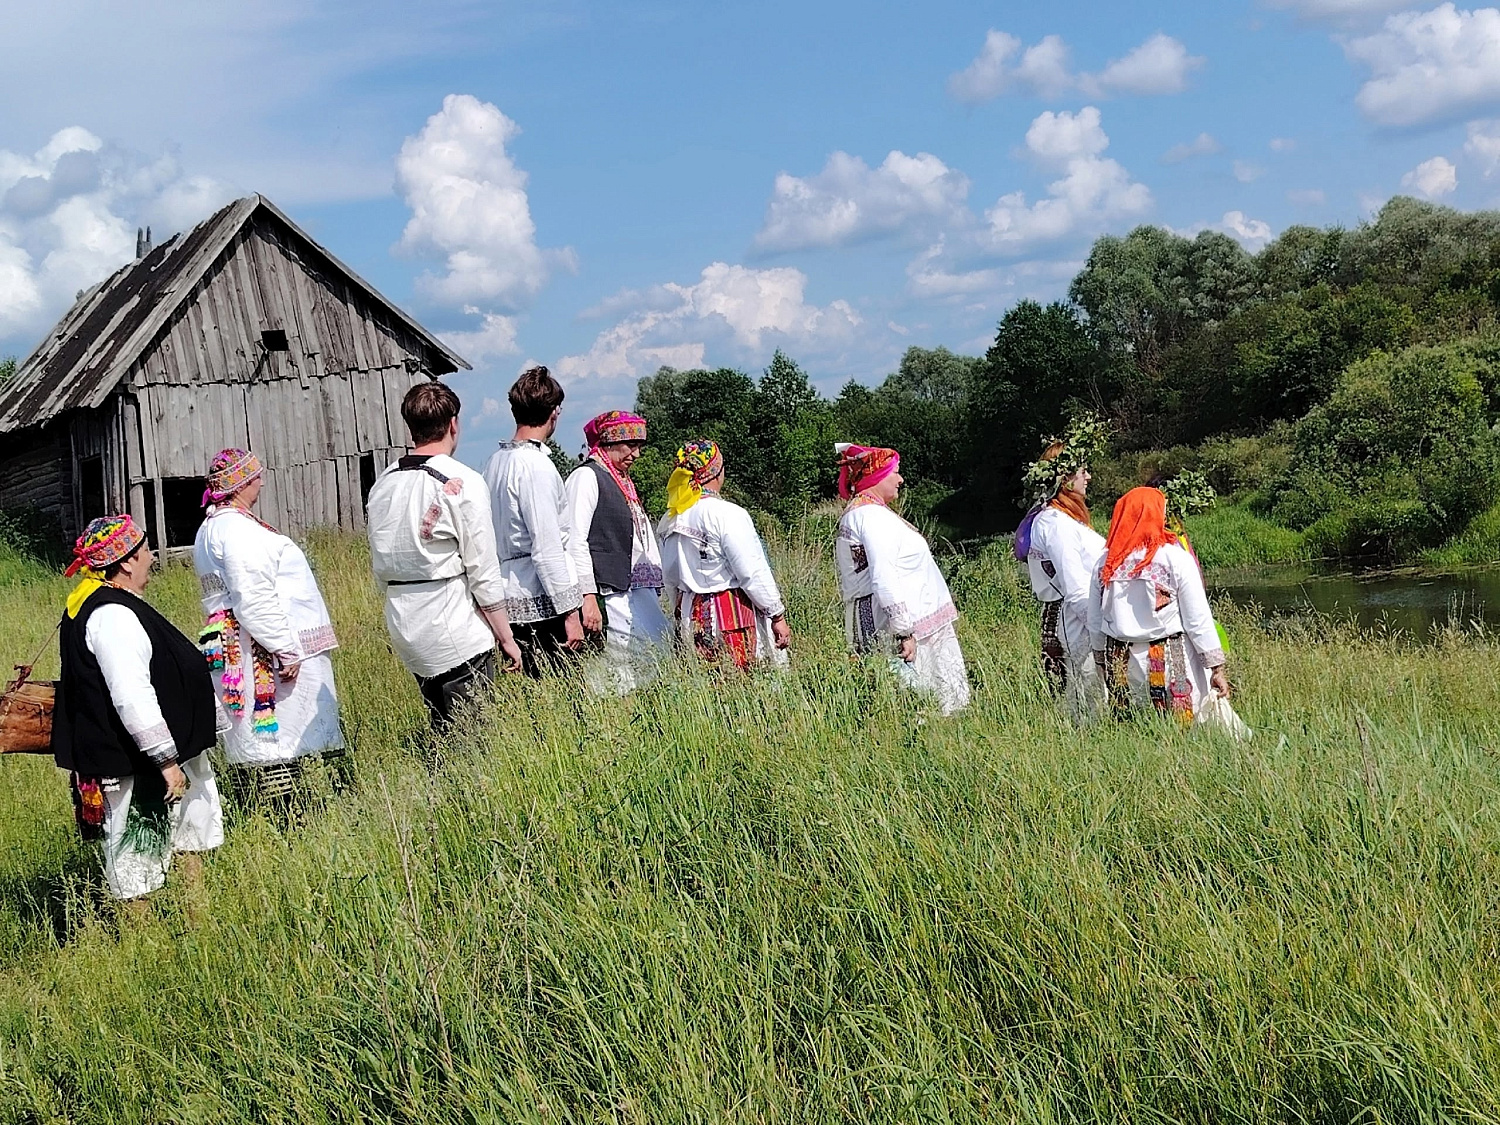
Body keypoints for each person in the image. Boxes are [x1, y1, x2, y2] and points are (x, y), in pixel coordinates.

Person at [52, 515, 225, 901]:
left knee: (188, 835)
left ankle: (198, 924)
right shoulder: (111, 615)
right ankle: (144, 941)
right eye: (145, 550)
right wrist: (165, 760)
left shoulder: (115, 603)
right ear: (125, 562)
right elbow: (131, 695)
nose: (150, 557)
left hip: (162, 752)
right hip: (138, 762)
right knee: (136, 857)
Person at [366, 381, 524, 729]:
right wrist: (506, 636)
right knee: (471, 736)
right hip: (453, 623)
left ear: (410, 426)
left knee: (441, 724)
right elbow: (482, 568)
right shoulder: (462, 479)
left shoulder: (384, 483)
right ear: (454, 423)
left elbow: (379, 557)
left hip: (404, 620)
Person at [194, 449, 344, 800]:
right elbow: (253, 597)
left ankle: (282, 808)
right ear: (242, 483)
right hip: (258, 649)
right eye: (256, 475)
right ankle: (287, 814)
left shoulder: (214, 526)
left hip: (239, 641)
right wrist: (285, 648)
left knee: (269, 740)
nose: (262, 480)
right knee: (274, 739)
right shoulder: (237, 530)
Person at [833, 444, 970, 715]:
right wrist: (903, 630)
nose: (900, 479)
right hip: (893, 623)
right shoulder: (869, 516)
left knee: (930, 698)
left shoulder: (872, 513)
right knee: (911, 701)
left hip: (916, 622)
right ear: (877, 476)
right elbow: (884, 576)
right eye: (895, 472)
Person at [1088, 486, 1231, 724]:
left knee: (1134, 727)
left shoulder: (1105, 563)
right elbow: (1197, 619)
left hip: (1121, 662)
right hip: (1170, 662)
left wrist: (1101, 662)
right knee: (1183, 728)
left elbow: (1095, 620)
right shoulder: (1174, 559)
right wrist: (1216, 668)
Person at [482, 367, 585, 677]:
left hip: (506, 592)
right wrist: (569, 613)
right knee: (562, 696)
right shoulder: (535, 466)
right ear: (554, 413)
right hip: (541, 601)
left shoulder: (495, 462)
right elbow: (546, 547)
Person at [657, 439, 790, 670]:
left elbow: (669, 577)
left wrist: (678, 611)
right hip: (730, 611)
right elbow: (751, 571)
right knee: (743, 681)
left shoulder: (673, 517)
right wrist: (776, 614)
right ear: (717, 471)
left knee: (708, 690)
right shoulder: (727, 513)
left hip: (692, 613)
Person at [563, 410, 670, 694]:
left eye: (639, 446)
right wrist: (587, 597)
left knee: (652, 665)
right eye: (630, 446)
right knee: (618, 675)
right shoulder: (587, 477)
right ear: (609, 443)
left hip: (635, 592)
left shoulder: (622, 480)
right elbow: (575, 541)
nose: (636, 454)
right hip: (611, 594)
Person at [1017, 438, 1106, 721]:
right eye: (1082, 471)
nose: (1088, 476)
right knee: (1088, 695)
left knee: (1087, 694)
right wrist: (1102, 631)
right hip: (1075, 620)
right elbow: (1075, 586)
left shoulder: (1065, 519)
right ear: (1065, 478)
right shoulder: (1055, 524)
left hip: (1078, 616)